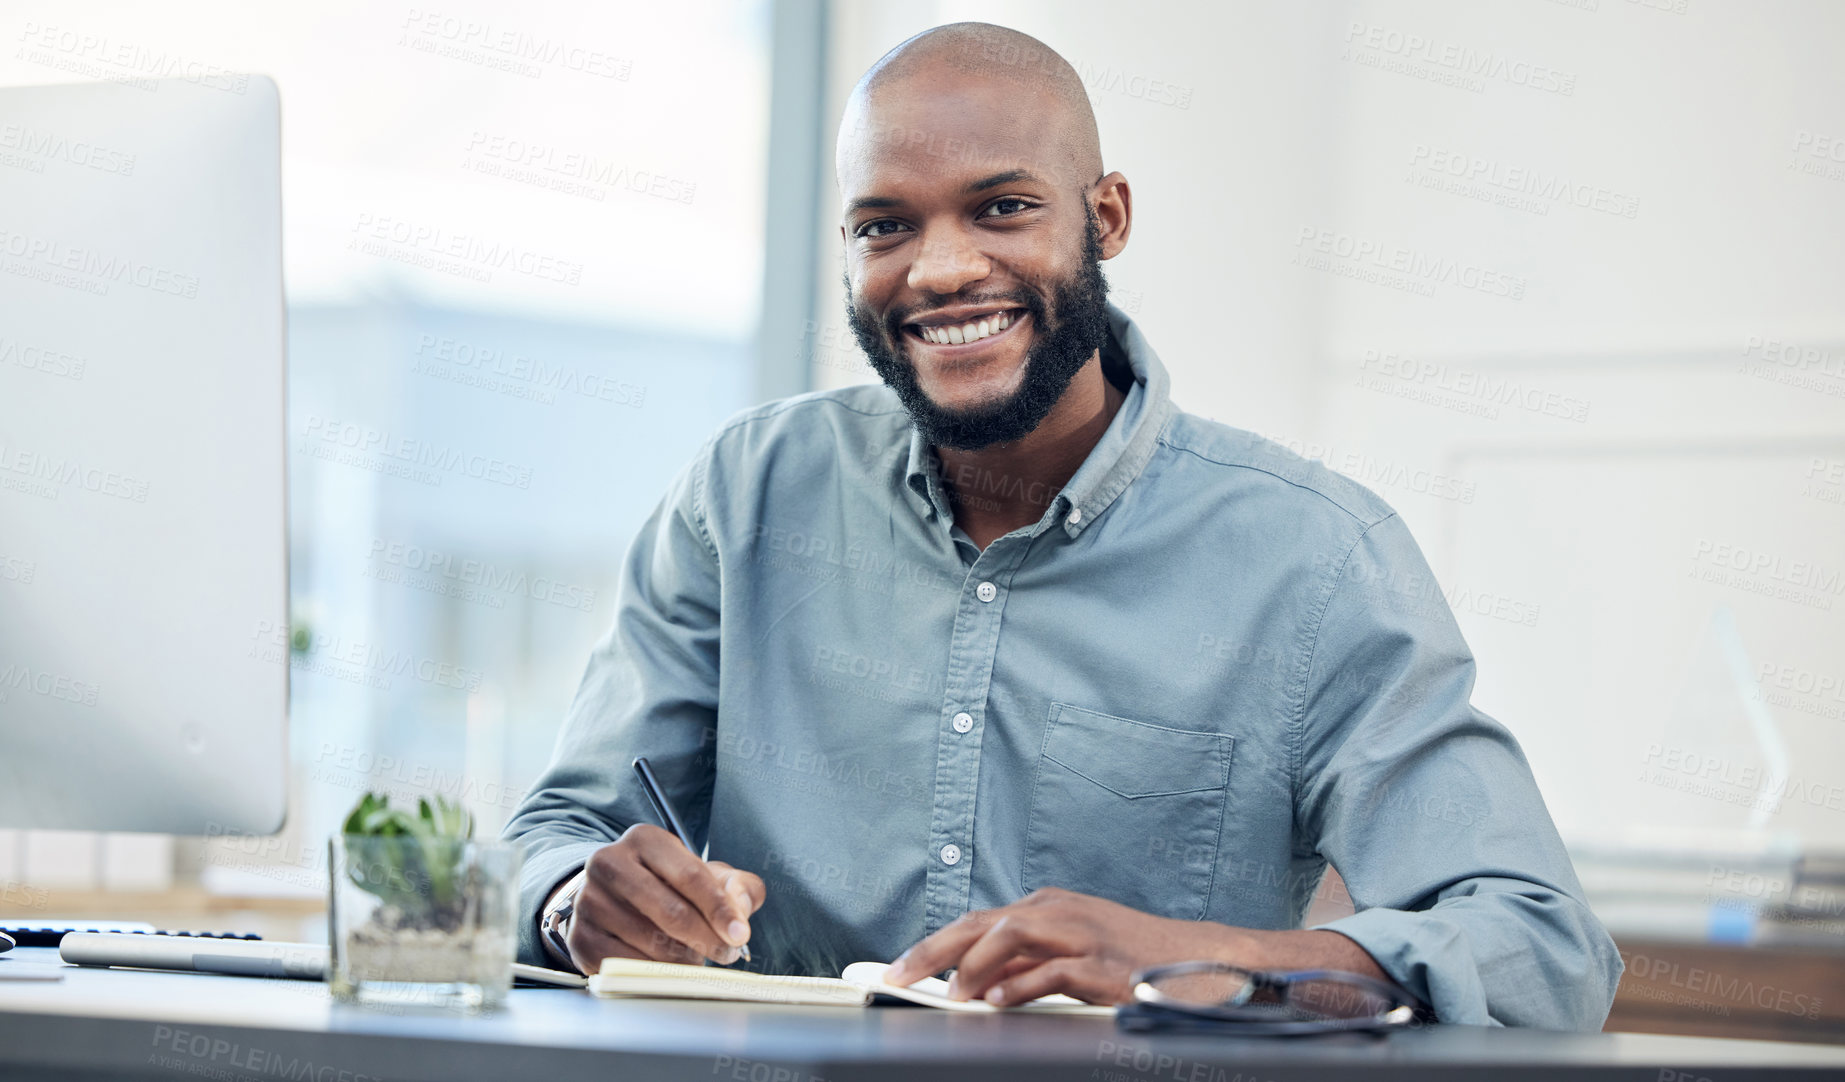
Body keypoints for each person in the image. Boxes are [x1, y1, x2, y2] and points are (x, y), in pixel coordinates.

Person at [502, 21, 1622, 1029]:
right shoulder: (746, 492)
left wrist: (1196, 957)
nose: (941, 269)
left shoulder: (1314, 559)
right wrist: (572, 900)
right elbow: (553, 831)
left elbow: (1543, 948)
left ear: (1108, 216)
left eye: (1002, 207)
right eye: (885, 224)